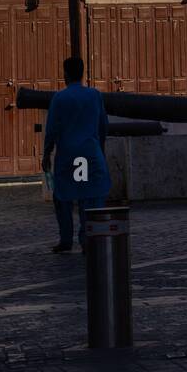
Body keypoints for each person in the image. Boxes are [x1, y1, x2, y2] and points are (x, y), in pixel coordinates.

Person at [42, 57, 110, 254]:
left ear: (65, 74)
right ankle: (86, 237)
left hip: (68, 156)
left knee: (63, 197)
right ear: (82, 73)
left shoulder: (59, 98)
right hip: (89, 153)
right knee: (88, 196)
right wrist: (101, 150)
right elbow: (102, 126)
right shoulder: (95, 95)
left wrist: (46, 153)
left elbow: (52, 129)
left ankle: (66, 238)